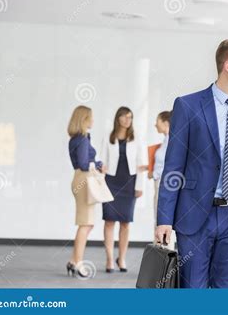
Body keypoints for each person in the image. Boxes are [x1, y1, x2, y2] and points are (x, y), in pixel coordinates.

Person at [155, 38, 228, 288]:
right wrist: (164, 218)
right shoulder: (188, 105)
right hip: (194, 214)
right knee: (193, 290)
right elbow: (173, 167)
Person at [100, 107, 143, 273]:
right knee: (109, 221)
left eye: (130, 117)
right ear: (118, 118)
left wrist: (139, 186)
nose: (127, 120)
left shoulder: (136, 138)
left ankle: (122, 258)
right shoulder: (108, 137)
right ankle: (110, 259)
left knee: (125, 222)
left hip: (129, 183)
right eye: (125, 117)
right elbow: (102, 160)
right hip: (110, 182)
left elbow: (141, 163)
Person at [67, 105, 106, 278]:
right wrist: (98, 164)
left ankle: (74, 261)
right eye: (90, 117)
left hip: (80, 179)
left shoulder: (77, 138)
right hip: (84, 180)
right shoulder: (82, 139)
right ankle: (78, 263)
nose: (93, 120)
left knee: (86, 223)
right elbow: (84, 164)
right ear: (84, 119)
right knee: (86, 223)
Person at [141, 111, 176, 250]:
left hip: (164, 184)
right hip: (159, 183)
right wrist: (149, 169)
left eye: (158, 121)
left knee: (162, 220)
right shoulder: (165, 140)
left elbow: (171, 165)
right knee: (159, 219)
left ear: (166, 122)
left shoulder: (172, 140)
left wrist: (154, 172)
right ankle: (161, 257)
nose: (155, 124)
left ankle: (165, 259)